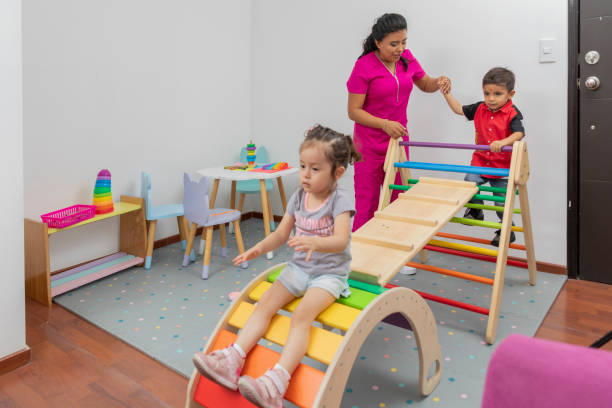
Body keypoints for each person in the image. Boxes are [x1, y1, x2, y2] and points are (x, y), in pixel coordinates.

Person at [192, 125, 359, 408]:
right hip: (297, 270)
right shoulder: (298, 196)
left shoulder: (339, 200)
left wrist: (316, 244)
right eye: (303, 165)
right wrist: (257, 249)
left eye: (315, 169)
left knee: (301, 316)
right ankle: (233, 360)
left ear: (338, 172)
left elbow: (342, 240)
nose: (305, 174)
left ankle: (277, 382)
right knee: (265, 303)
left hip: (328, 274)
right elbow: (281, 234)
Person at [347, 12, 450, 274]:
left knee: (398, 197)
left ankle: (395, 256)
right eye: (394, 43)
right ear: (378, 42)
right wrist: (383, 124)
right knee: (368, 199)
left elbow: (424, 84)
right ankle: (359, 257)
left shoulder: (406, 59)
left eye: (403, 41)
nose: (400, 48)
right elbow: (354, 111)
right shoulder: (364, 67)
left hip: (398, 142)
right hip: (368, 143)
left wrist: (438, 82)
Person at [441, 67, 525, 246]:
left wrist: (503, 142)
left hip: (502, 168)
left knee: (502, 205)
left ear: (511, 94)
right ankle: (476, 210)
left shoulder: (512, 113)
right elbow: (458, 109)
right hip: (481, 162)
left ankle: (507, 230)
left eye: (497, 94)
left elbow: (519, 134)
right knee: (469, 182)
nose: (491, 98)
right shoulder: (480, 107)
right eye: (487, 93)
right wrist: (447, 94)